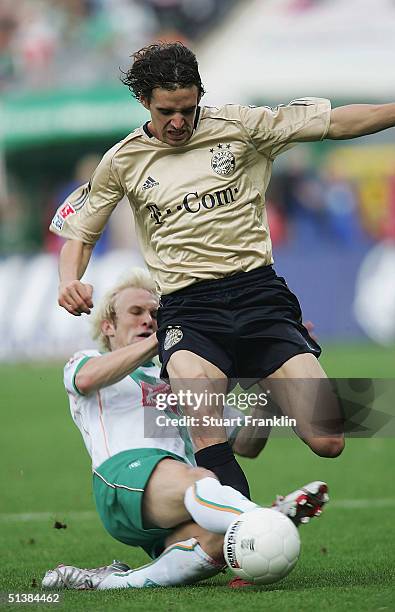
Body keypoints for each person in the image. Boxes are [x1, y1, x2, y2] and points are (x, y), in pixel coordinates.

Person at [49, 41, 395, 499]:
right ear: (144, 102)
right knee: (207, 431)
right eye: (166, 110)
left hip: (259, 296)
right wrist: (69, 279)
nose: (178, 122)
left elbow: (336, 122)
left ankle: (266, 395)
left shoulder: (243, 126)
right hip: (189, 311)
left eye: (188, 109)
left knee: (328, 438)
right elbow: (81, 232)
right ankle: (238, 539)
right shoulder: (122, 160)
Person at [42, 268, 329, 590]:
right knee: (203, 480)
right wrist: (161, 339)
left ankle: (106, 583)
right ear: (108, 326)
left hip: (175, 500)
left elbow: (248, 445)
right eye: (136, 313)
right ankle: (262, 516)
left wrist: (272, 388)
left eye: (154, 314)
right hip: (124, 479)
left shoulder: (183, 375)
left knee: (223, 543)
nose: (148, 320)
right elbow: (86, 379)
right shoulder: (88, 360)